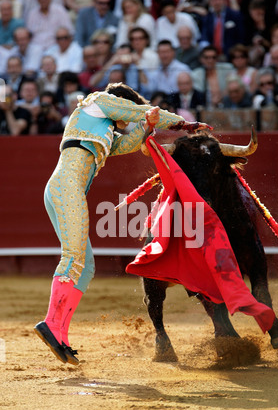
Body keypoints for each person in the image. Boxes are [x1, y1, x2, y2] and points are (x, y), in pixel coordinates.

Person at [33, 82, 211, 365]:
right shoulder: (97, 101)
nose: (126, 122)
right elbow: (142, 111)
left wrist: (148, 127)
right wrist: (182, 123)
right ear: (120, 103)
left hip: (66, 189)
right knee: (73, 258)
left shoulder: (104, 131)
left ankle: (61, 335)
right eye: (125, 115)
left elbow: (131, 141)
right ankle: (51, 324)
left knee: (86, 265)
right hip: (66, 187)